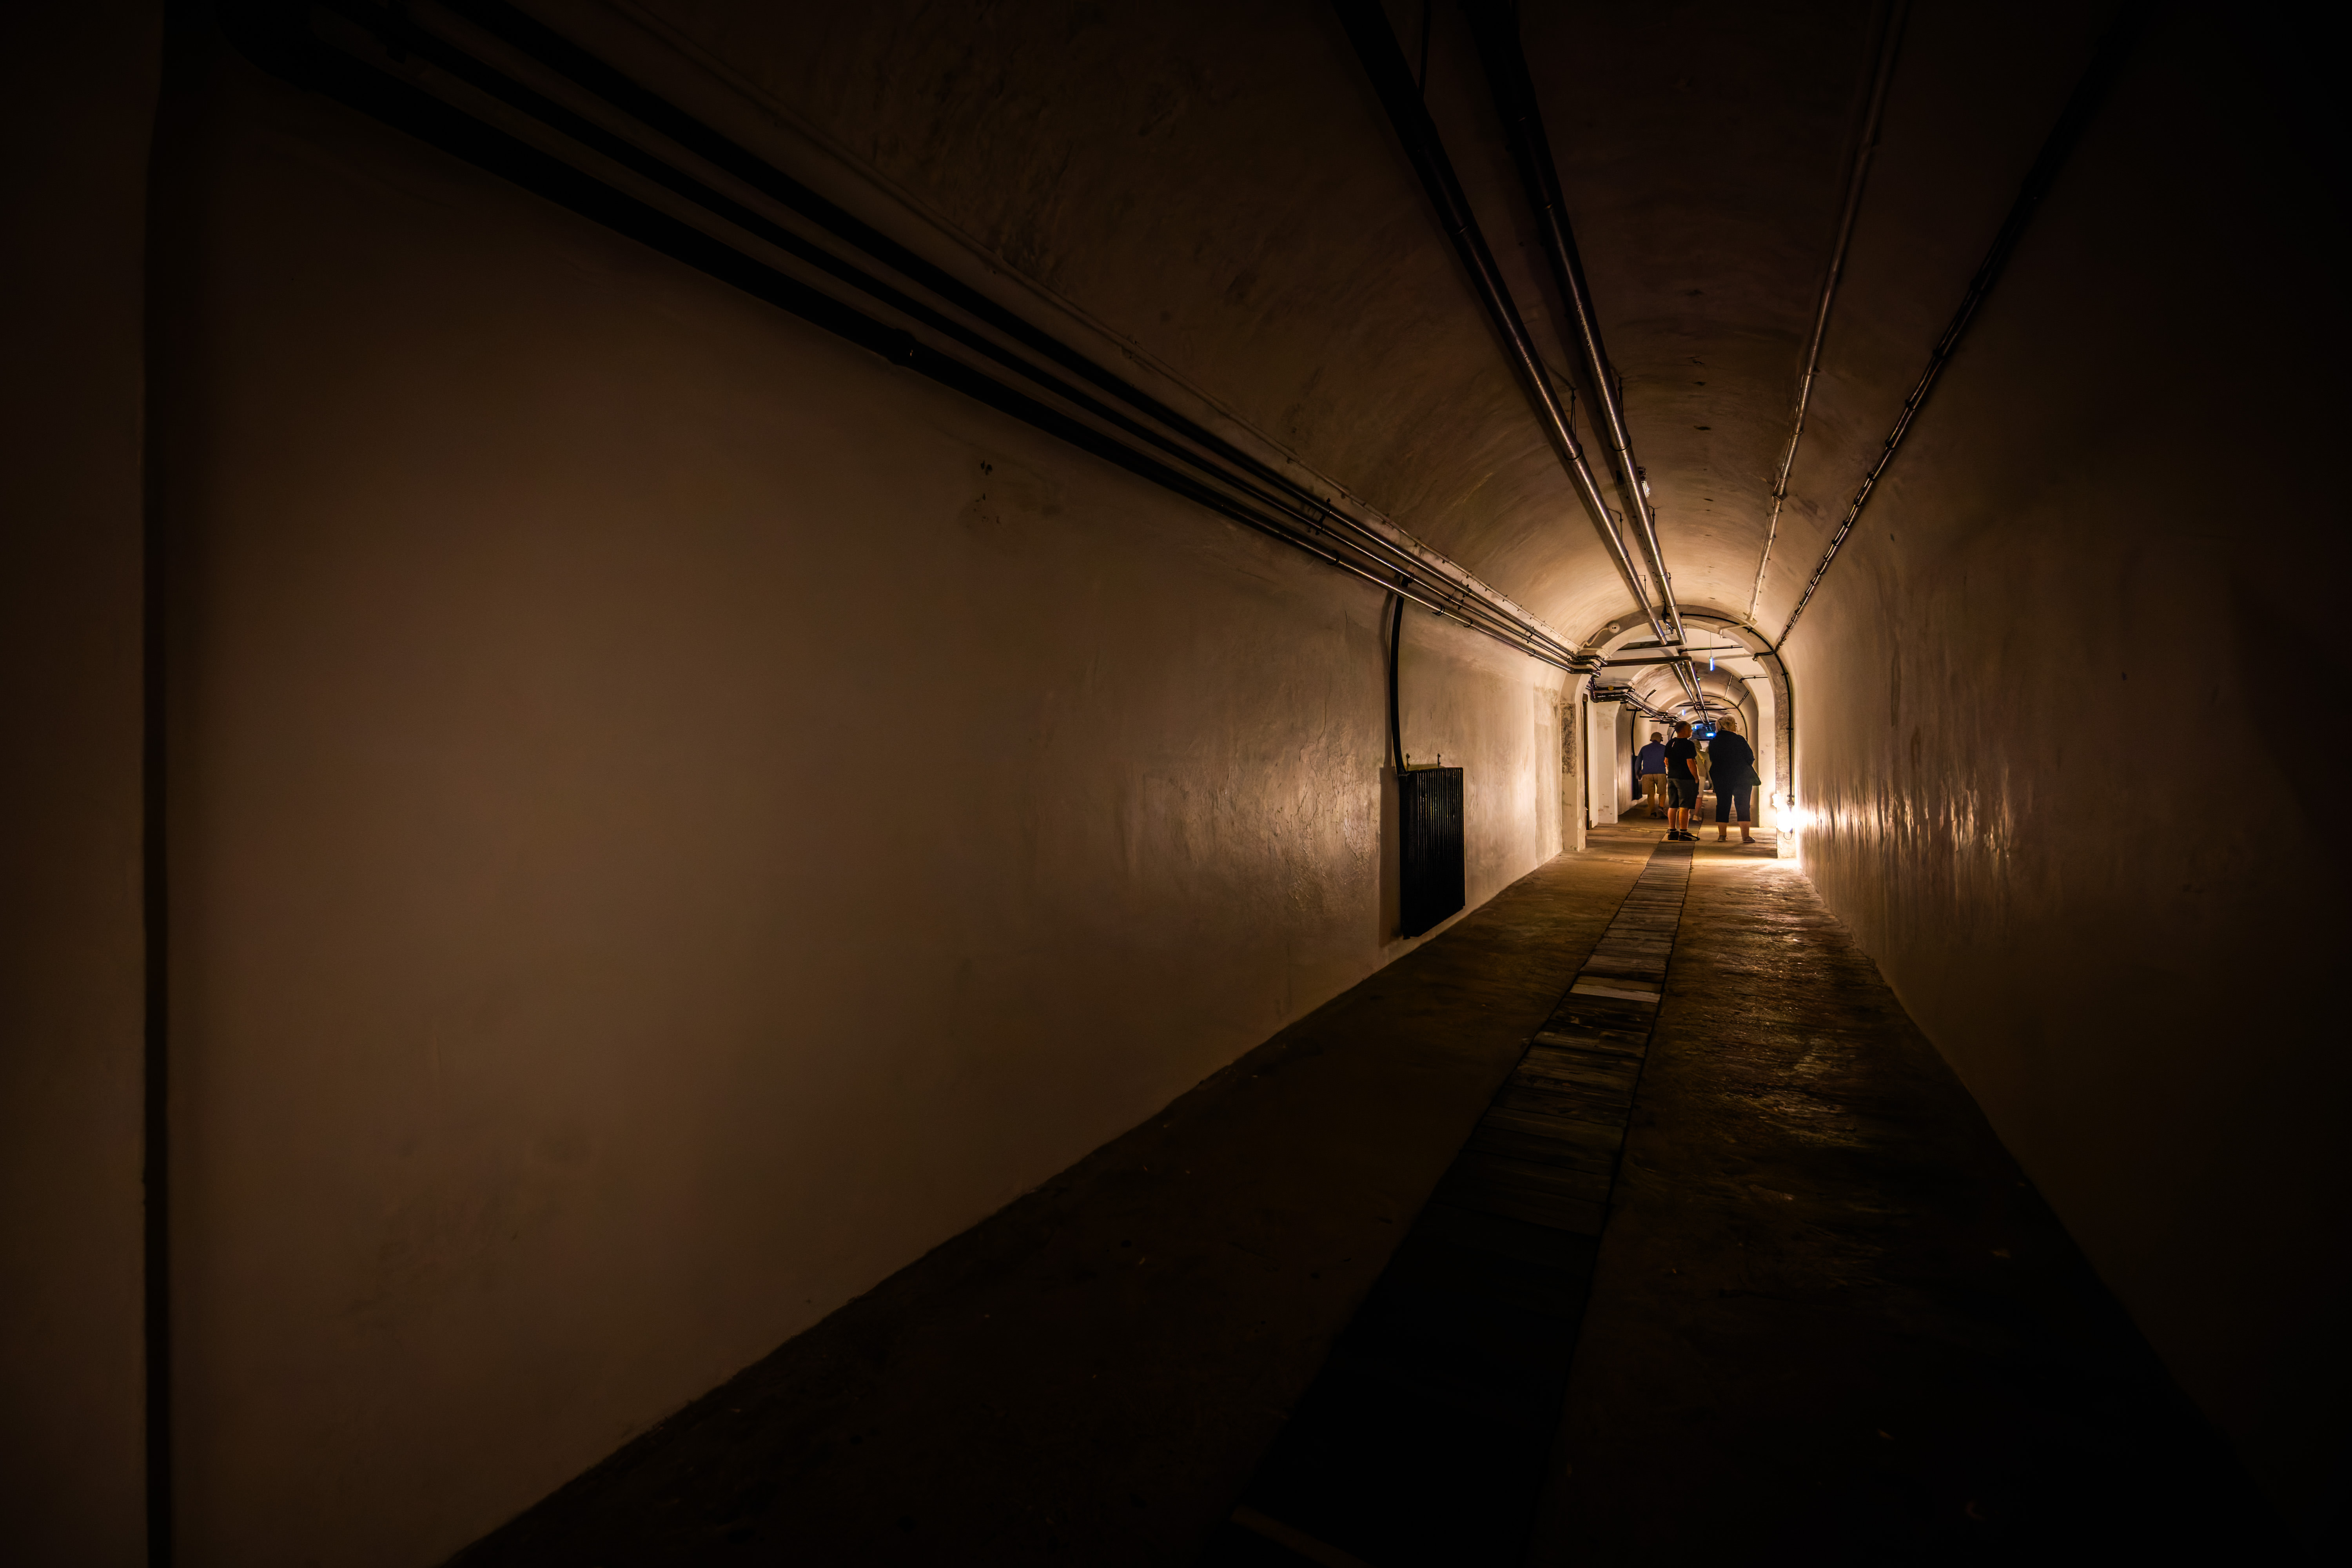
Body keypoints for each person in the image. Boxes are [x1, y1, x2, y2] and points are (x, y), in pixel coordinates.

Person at [1707, 716, 1759, 844]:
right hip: (1741, 776)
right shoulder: (1739, 739)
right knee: (1743, 805)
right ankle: (1746, 836)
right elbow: (1750, 757)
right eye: (1734, 724)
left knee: (1723, 804)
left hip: (1721, 777)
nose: (1735, 726)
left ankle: (1722, 836)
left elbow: (1713, 758)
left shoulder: (1714, 741)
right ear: (1729, 725)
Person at [1663, 721, 1700, 840]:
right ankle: (1684, 833)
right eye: (1690, 729)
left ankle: (1673, 832)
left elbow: (1666, 761)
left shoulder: (1671, 743)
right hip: (1685, 779)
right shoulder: (1689, 745)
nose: (1691, 731)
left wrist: (1673, 771)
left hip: (1672, 777)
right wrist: (1696, 777)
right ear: (1684, 731)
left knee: (1673, 806)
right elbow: (1690, 762)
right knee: (1685, 806)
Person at [1634, 730, 1668, 817]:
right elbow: (1669, 761)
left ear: (1651, 739)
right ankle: (1661, 807)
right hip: (1661, 773)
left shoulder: (1644, 748)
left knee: (1651, 794)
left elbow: (1638, 762)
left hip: (1647, 774)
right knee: (1663, 792)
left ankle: (1653, 812)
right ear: (1661, 740)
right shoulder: (1665, 748)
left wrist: (1638, 773)